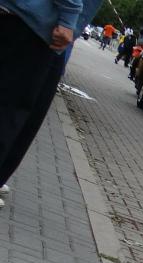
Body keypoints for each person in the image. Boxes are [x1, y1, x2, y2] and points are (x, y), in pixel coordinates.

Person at [0, 0, 102, 203]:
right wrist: (68, 18)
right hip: (33, 24)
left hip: (44, 29)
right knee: (11, 109)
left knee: (28, 113)